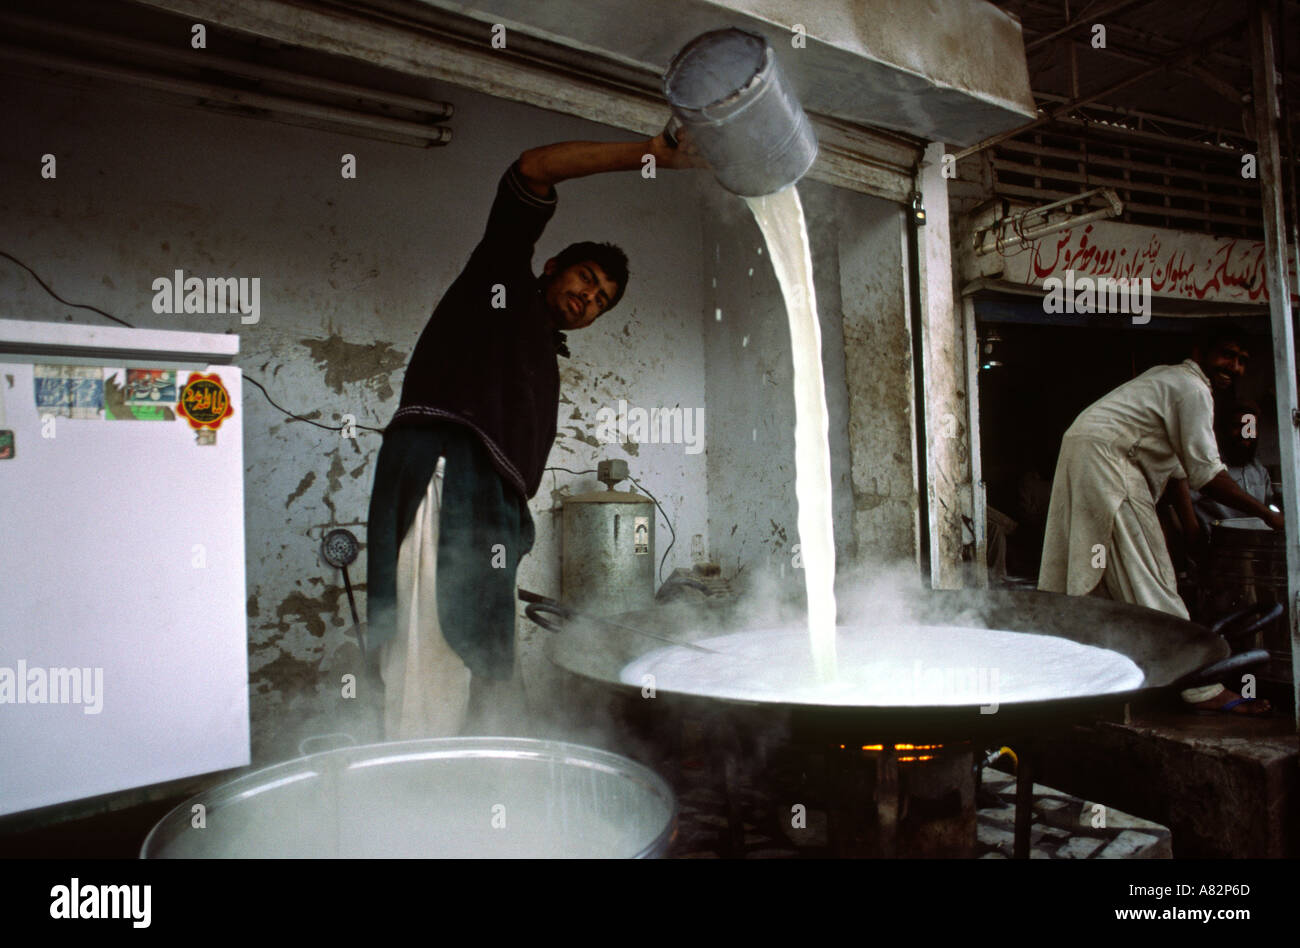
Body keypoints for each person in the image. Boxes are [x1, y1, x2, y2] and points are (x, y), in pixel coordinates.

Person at [365, 134, 701, 740]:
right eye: (585, 278)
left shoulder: (541, 348)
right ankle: (416, 789)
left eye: (601, 300)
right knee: (431, 645)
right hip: (447, 474)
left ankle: (469, 777)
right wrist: (657, 152)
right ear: (551, 267)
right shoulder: (499, 285)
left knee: (474, 652)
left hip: (484, 503)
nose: (587, 298)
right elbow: (534, 169)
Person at [1037, 330, 1283, 714]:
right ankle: (1201, 686)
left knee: (1096, 573)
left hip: (1086, 451)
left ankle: (1086, 676)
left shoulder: (1171, 380)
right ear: (1200, 352)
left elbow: (1178, 472)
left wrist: (1190, 528)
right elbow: (1208, 476)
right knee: (1151, 580)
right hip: (1110, 462)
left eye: (1242, 360)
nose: (1234, 367)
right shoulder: (1192, 389)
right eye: (1227, 355)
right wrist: (1270, 516)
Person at [1192, 397, 1279, 527]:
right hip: (1217, 543)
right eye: (1238, 426)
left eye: (1250, 427)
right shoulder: (1207, 465)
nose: (1245, 434)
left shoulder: (1258, 470)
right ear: (1222, 430)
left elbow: (1271, 508)